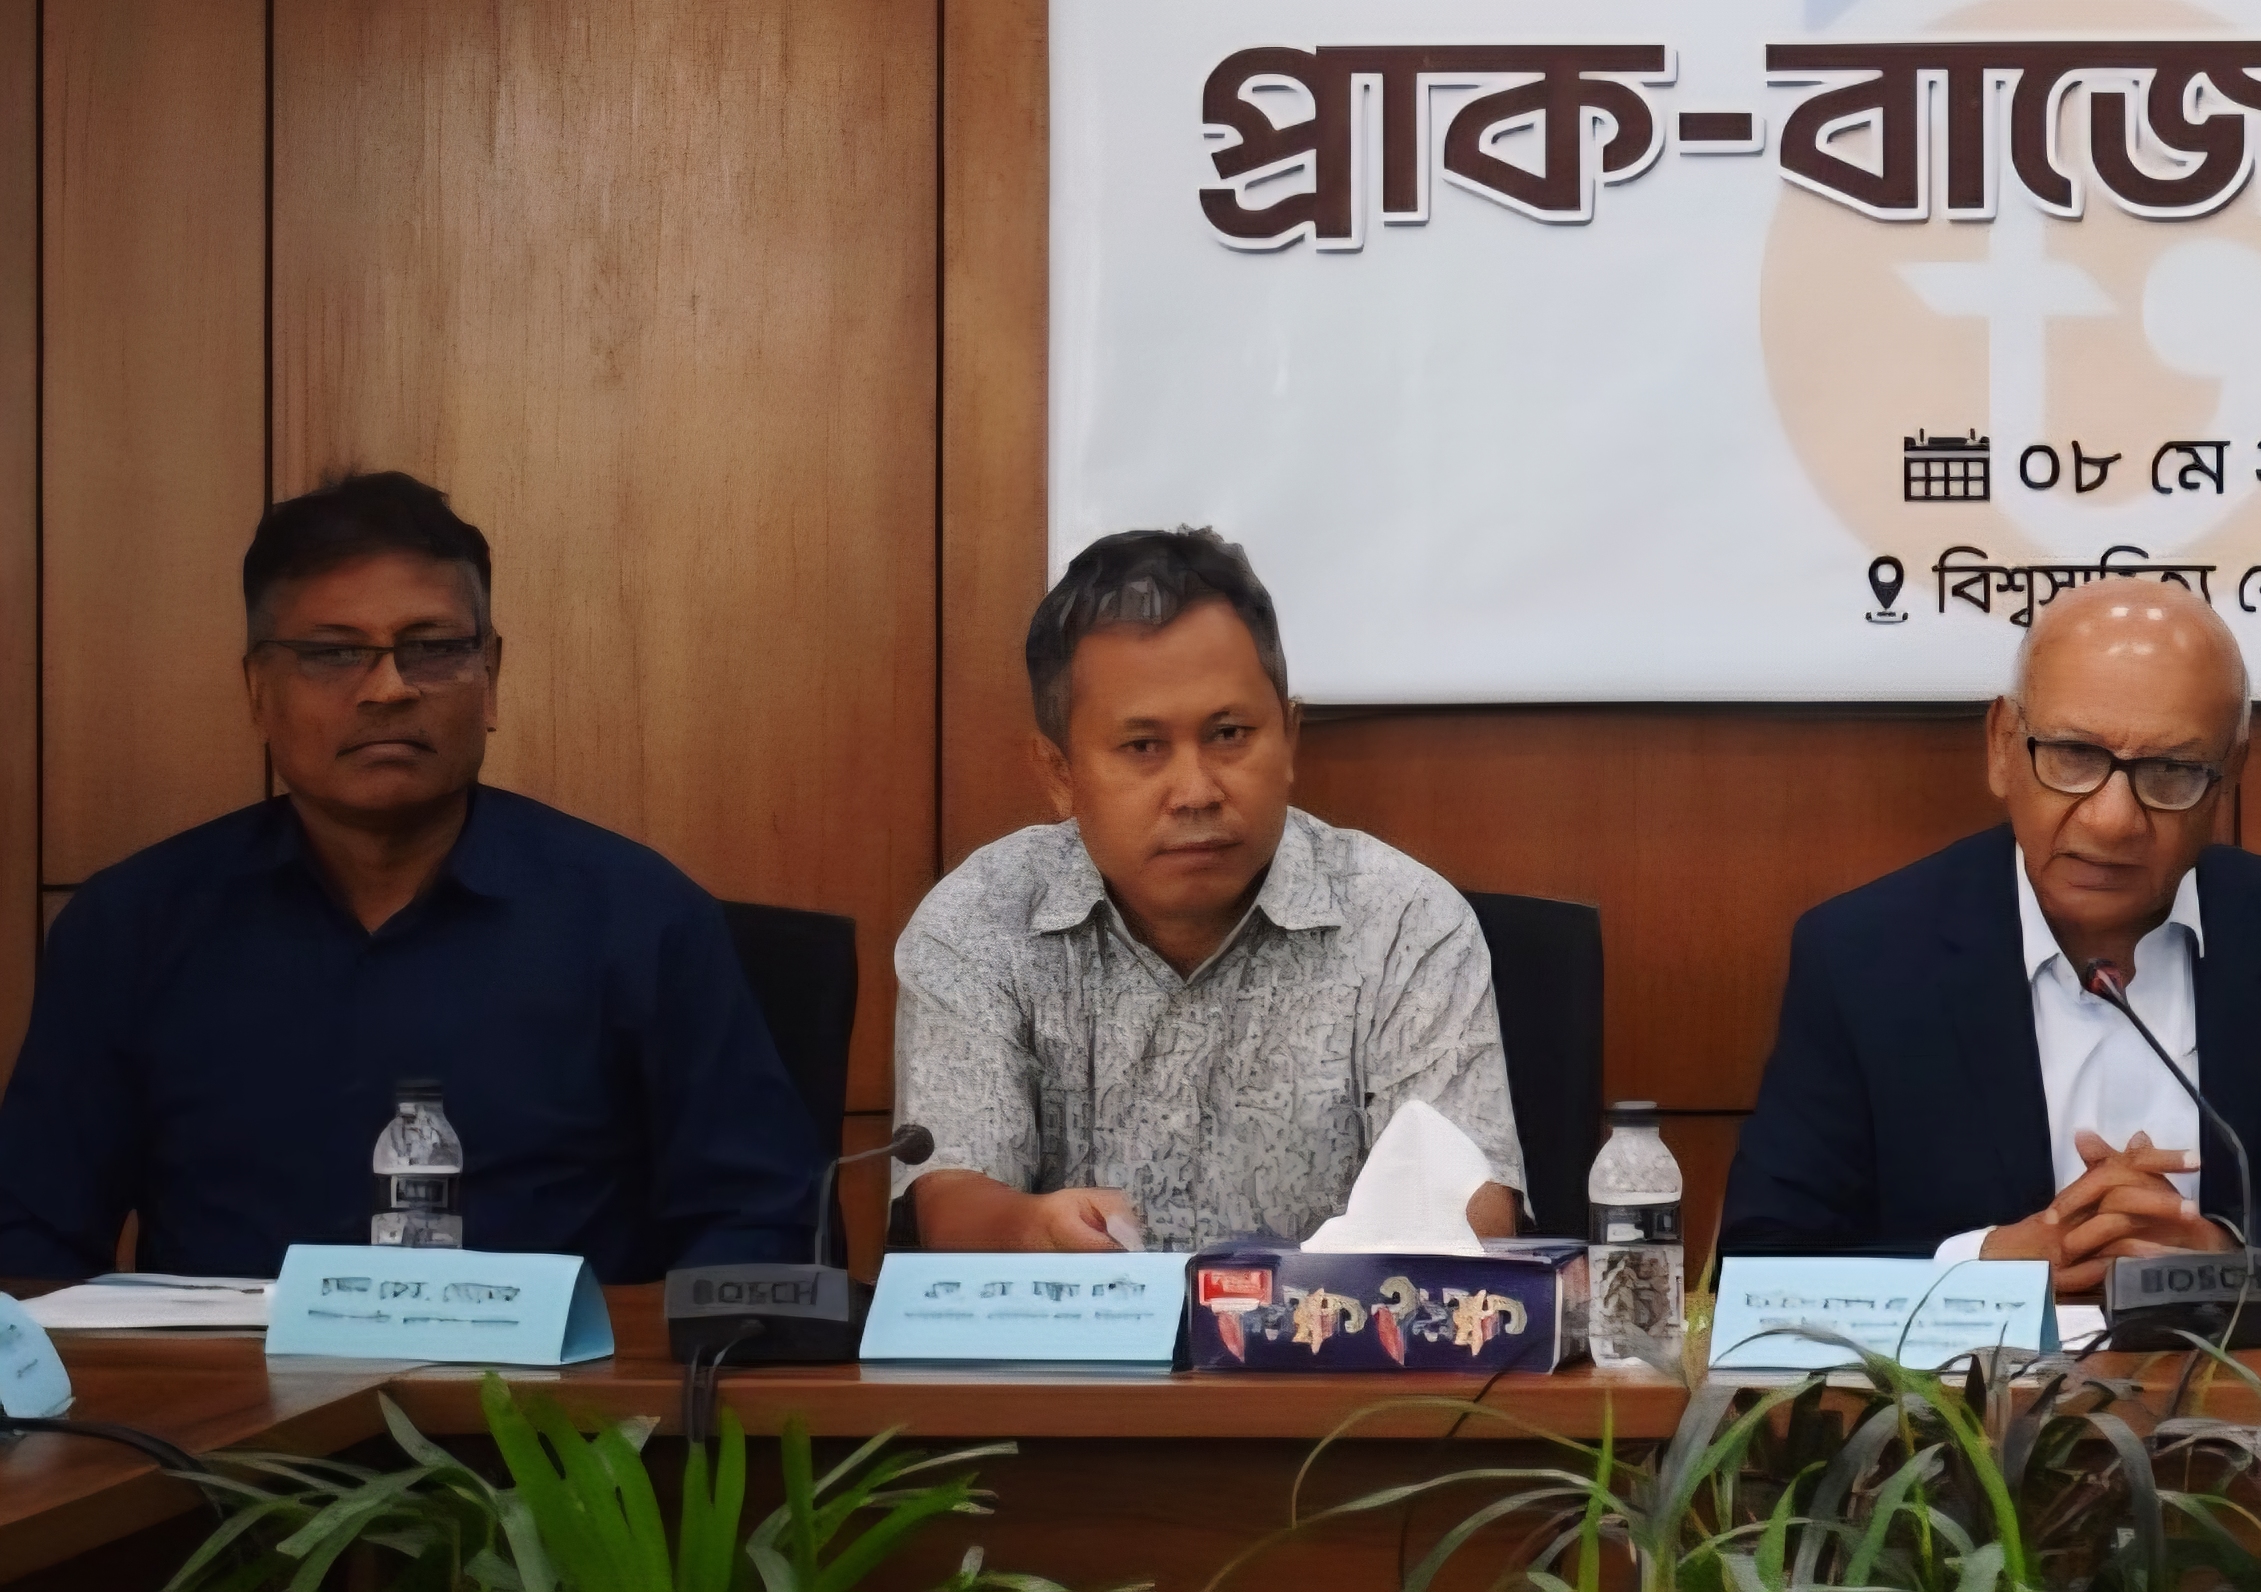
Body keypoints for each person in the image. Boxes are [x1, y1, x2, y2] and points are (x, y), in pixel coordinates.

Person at [0, 473, 819, 1279]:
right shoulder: (132, 929)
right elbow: (30, 1237)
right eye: (333, 654)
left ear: (490, 676)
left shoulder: (640, 919)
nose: (389, 688)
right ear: (257, 691)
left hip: (557, 1371)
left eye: (432, 649)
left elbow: (759, 1224)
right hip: (234, 1374)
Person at [1725, 578, 2261, 1285]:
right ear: (2002, 745)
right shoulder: (1862, 959)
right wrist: (1986, 1265)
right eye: (2074, 756)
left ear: (2231, 772)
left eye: (2172, 770)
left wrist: (2227, 1250)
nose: (2113, 820)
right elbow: (1763, 1264)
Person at [894, 527, 1524, 1254]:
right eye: (1143, 747)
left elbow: (1469, 1226)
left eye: (1229, 734)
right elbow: (951, 1202)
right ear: (1060, 775)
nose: (1195, 791)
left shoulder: (1406, 924)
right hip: (1077, 1333)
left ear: (1288, 739)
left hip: (1331, 1331)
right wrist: (1030, 1227)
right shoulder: (978, 923)